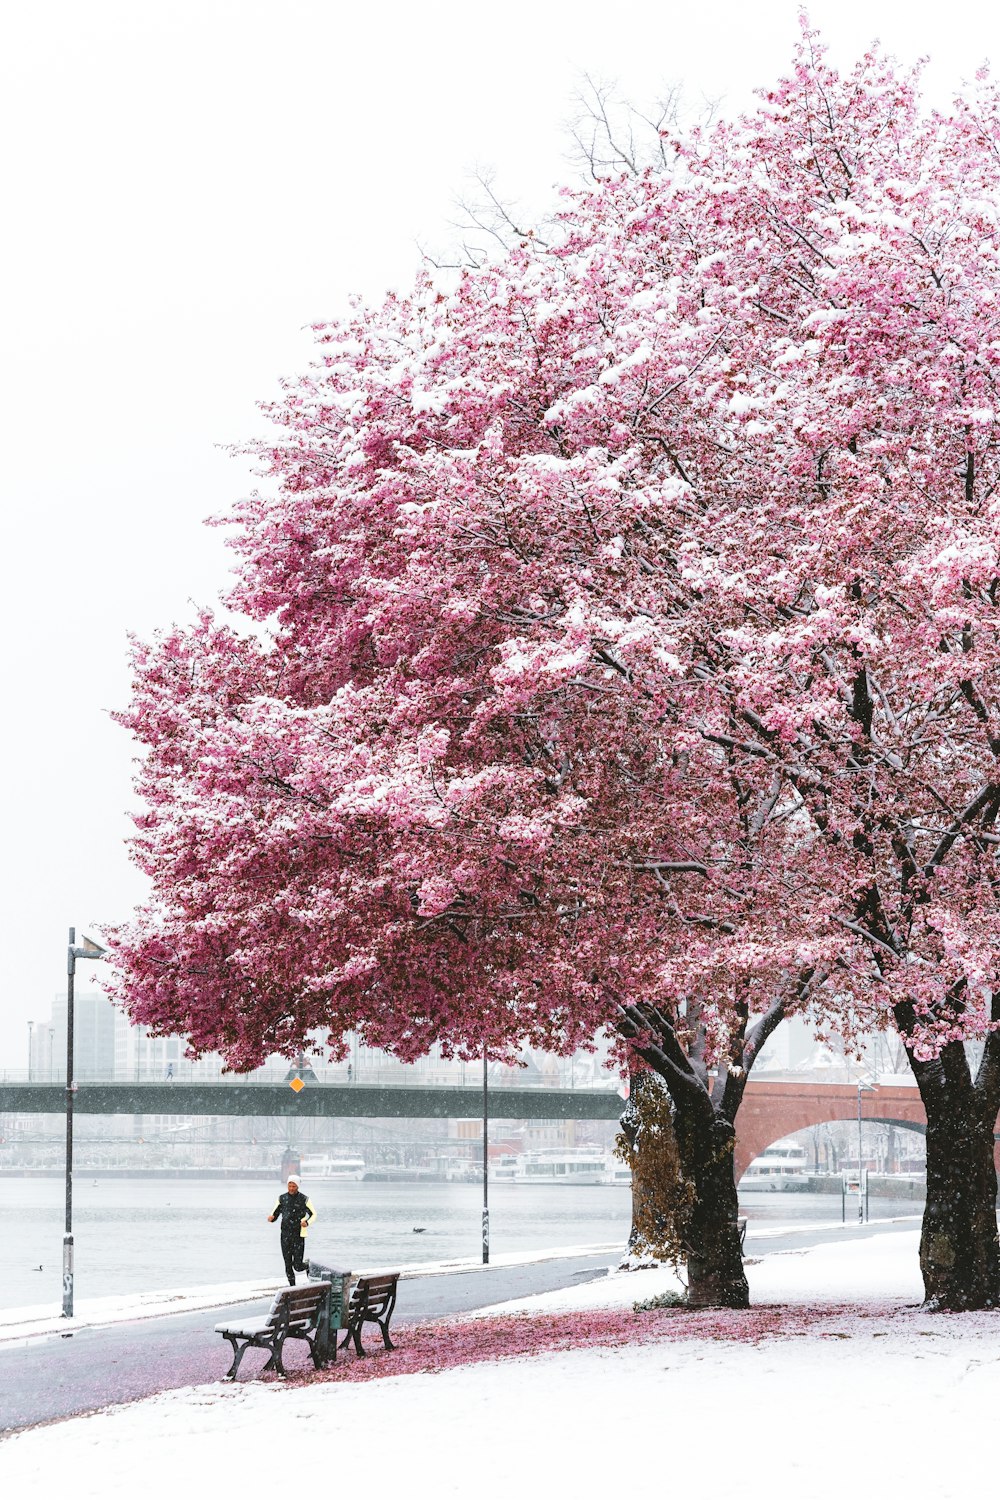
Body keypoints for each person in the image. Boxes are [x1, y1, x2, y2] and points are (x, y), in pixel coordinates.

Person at [267, 1175, 315, 1285]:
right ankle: (292, 1287)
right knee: (288, 1264)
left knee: (297, 1266)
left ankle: (307, 1265)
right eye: (290, 1186)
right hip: (285, 1236)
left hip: (298, 1235)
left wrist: (307, 1222)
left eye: (294, 1186)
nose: (291, 1188)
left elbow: (313, 1214)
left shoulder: (304, 1199)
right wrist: (272, 1218)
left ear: (298, 1187)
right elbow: (275, 1213)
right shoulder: (282, 1198)